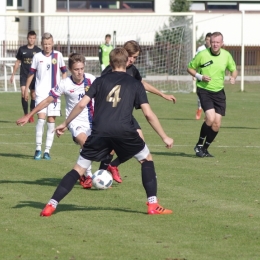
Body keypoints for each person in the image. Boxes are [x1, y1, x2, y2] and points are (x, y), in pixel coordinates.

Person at [39, 47, 174, 217]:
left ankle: (51, 205)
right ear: (127, 62)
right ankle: (153, 205)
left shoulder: (99, 81)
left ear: (110, 63)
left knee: (78, 169)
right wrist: (164, 136)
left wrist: (65, 123)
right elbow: (148, 113)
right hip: (124, 130)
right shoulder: (135, 84)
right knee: (146, 159)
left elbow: (81, 105)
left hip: (99, 131)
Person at [16, 53, 121, 188]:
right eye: (77, 69)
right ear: (71, 70)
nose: (80, 72)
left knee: (111, 148)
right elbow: (48, 100)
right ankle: (87, 175)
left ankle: (101, 173)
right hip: (75, 122)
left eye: (82, 68)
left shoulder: (91, 79)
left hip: (94, 121)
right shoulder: (65, 84)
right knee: (86, 143)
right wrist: (28, 114)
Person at [101, 40, 176, 177]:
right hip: (111, 114)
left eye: (136, 57)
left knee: (139, 143)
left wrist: (162, 95)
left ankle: (112, 166)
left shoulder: (132, 70)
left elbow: (141, 84)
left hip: (125, 114)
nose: (133, 60)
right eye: (133, 57)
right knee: (111, 147)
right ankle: (101, 172)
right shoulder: (109, 71)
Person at [187, 32, 237, 157]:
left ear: (222, 43)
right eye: (213, 42)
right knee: (210, 117)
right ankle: (199, 145)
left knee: (217, 123)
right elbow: (190, 68)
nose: (215, 44)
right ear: (210, 42)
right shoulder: (202, 55)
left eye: (217, 42)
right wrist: (200, 76)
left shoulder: (226, 55)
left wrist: (233, 77)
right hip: (204, 90)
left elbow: (234, 70)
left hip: (219, 92)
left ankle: (205, 148)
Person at [24, 32, 67, 160]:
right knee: (41, 120)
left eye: (49, 44)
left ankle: (47, 151)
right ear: (41, 44)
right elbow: (31, 74)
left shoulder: (58, 55)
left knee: (51, 121)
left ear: (52, 43)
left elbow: (64, 72)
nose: (47, 46)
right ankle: (38, 149)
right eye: (45, 44)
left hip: (54, 93)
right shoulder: (37, 56)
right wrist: (26, 88)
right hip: (41, 93)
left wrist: (63, 86)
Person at [10, 31, 41, 122]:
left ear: (35, 39)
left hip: (34, 76)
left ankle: (31, 115)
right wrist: (13, 75)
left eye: (33, 38)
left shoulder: (38, 51)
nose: (32, 40)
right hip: (24, 75)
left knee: (33, 95)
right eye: (30, 38)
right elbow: (17, 62)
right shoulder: (22, 49)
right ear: (27, 38)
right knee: (24, 93)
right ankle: (25, 114)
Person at [195, 32, 212, 120]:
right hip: (201, 75)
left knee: (210, 94)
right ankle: (199, 109)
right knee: (200, 94)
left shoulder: (214, 50)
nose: (208, 41)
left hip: (211, 75)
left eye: (210, 40)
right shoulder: (200, 49)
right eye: (207, 40)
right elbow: (195, 61)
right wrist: (194, 72)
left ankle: (207, 112)